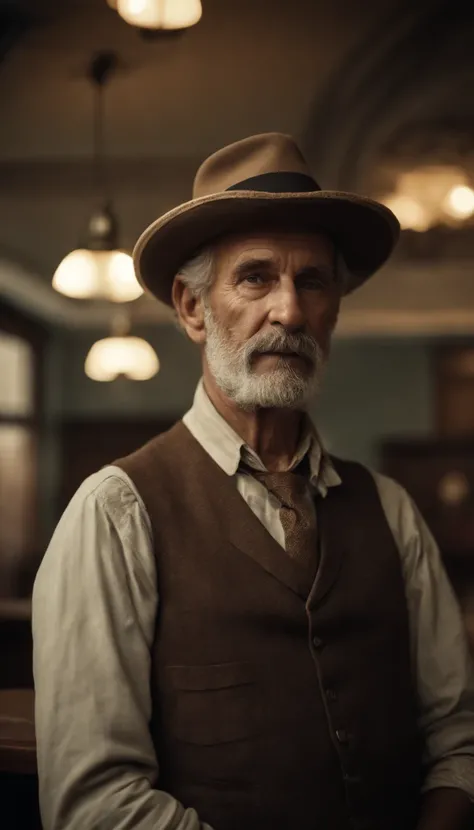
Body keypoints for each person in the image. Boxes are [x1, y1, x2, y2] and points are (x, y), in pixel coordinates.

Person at [32, 133, 474, 830]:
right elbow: (95, 801)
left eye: (313, 281)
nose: (290, 312)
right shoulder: (116, 513)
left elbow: (458, 740)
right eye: (256, 277)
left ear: (334, 310)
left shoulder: (389, 511)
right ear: (192, 308)